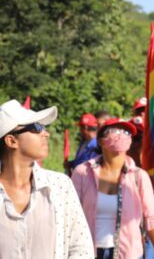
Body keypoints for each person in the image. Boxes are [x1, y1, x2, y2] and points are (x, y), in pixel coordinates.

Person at [0, 99, 93, 258]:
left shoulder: (60, 185)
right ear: (11, 140)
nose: (46, 133)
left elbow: (81, 248)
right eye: (36, 127)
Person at [71, 118, 154, 259]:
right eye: (115, 131)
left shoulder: (139, 176)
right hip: (89, 252)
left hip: (129, 254)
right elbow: (71, 216)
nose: (121, 136)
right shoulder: (83, 173)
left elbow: (151, 220)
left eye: (126, 132)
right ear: (101, 141)